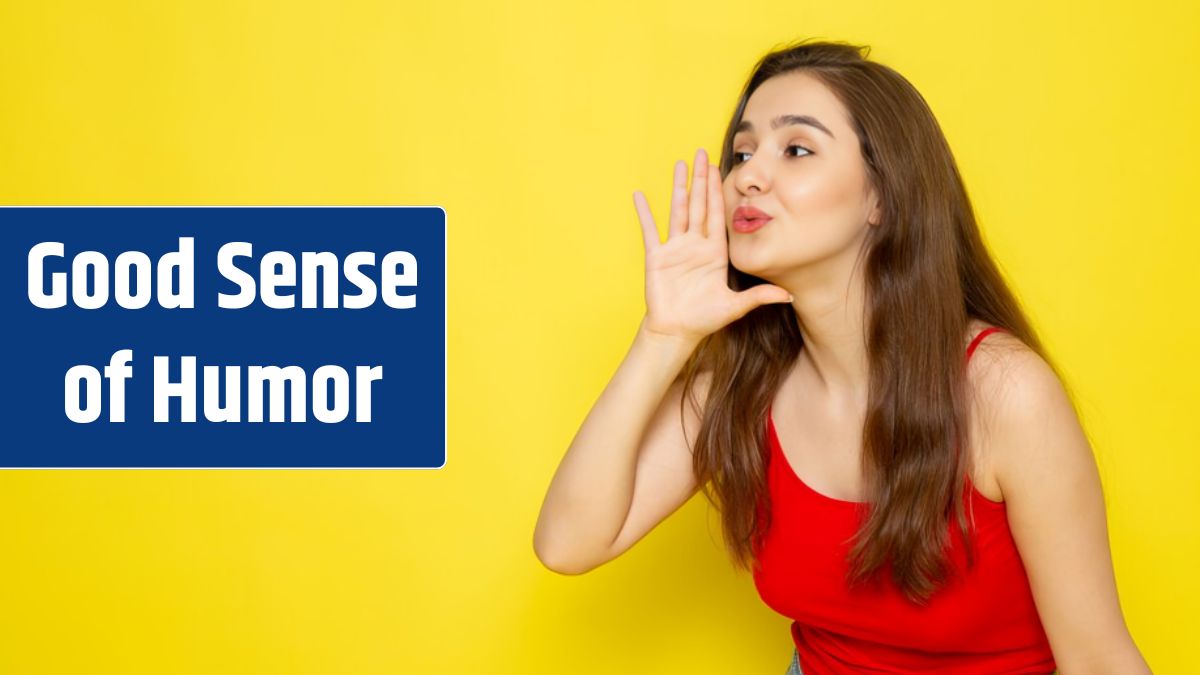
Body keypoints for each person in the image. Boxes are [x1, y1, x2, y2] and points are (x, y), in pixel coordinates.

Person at [533, 38, 1151, 674]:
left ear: (881, 198)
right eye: (741, 153)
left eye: (795, 149)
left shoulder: (1003, 392)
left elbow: (1100, 658)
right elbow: (567, 543)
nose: (747, 175)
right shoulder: (744, 386)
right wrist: (663, 340)